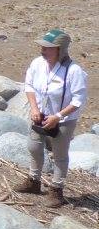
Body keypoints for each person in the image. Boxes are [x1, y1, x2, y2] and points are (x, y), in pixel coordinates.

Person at [15, 29, 88, 207]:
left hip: (64, 119)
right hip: (40, 114)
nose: (43, 50)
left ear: (60, 49)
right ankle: (34, 181)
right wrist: (33, 108)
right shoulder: (37, 64)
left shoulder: (74, 71)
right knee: (33, 146)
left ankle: (57, 190)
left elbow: (79, 100)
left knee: (59, 154)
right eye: (42, 47)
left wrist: (58, 116)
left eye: (48, 48)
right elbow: (29, 85)